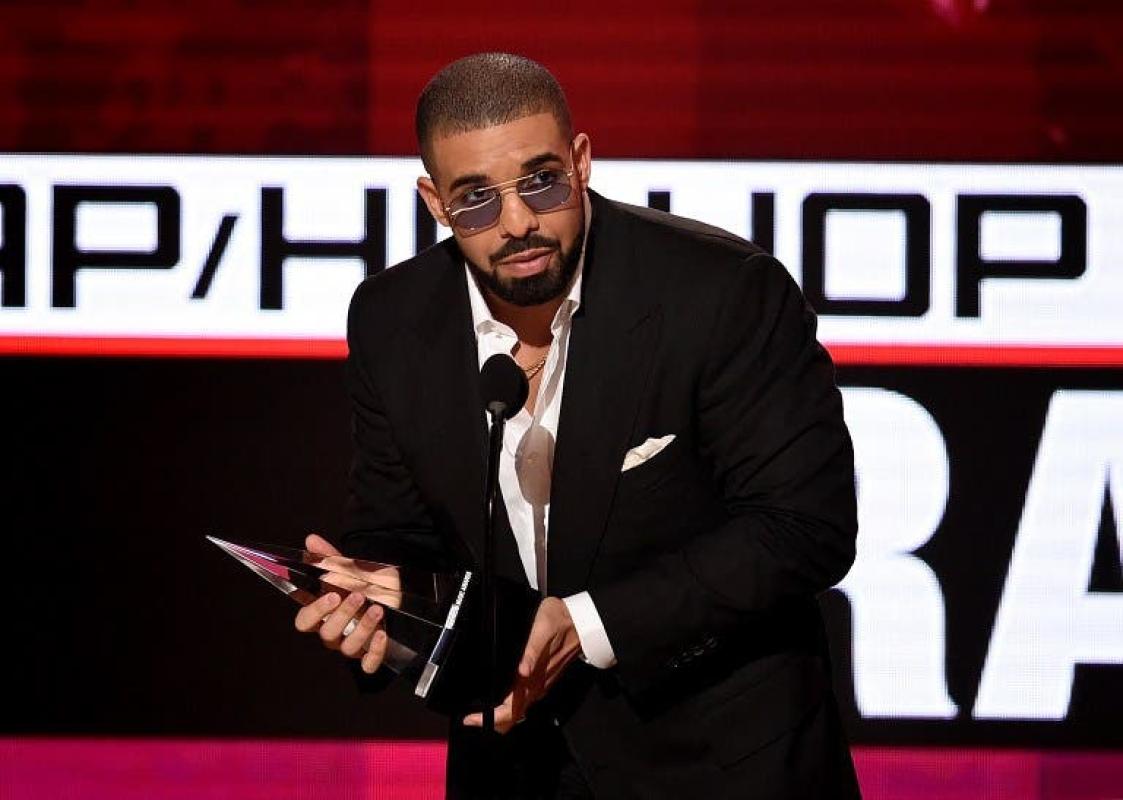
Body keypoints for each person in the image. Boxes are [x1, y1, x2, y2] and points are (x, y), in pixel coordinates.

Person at [294, 52, 861, 799]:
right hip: (511, 768)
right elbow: (399, 530)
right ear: (434, 202)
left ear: (582, 161)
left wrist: (584, 626)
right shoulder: (392, 319)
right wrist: (380, 607)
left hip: (721, 766)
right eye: (476, 200)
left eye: (541, 181)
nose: (518, 223)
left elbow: (803, 527)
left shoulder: (720, 294)